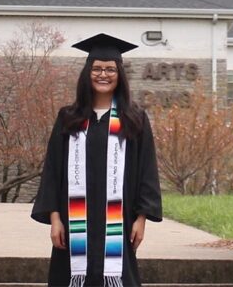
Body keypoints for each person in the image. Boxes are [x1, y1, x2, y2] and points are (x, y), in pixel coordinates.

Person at [31, 33, 162, 287]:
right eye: (97, 68)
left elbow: (148, 170)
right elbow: (53, 170)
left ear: (119, 74)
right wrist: (55, 218)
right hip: (72, 222)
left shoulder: (134, 119)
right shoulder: (69, 118)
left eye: (110, 69)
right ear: (87, 73)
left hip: (119, 222)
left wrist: (142, 218)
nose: (103, 74)